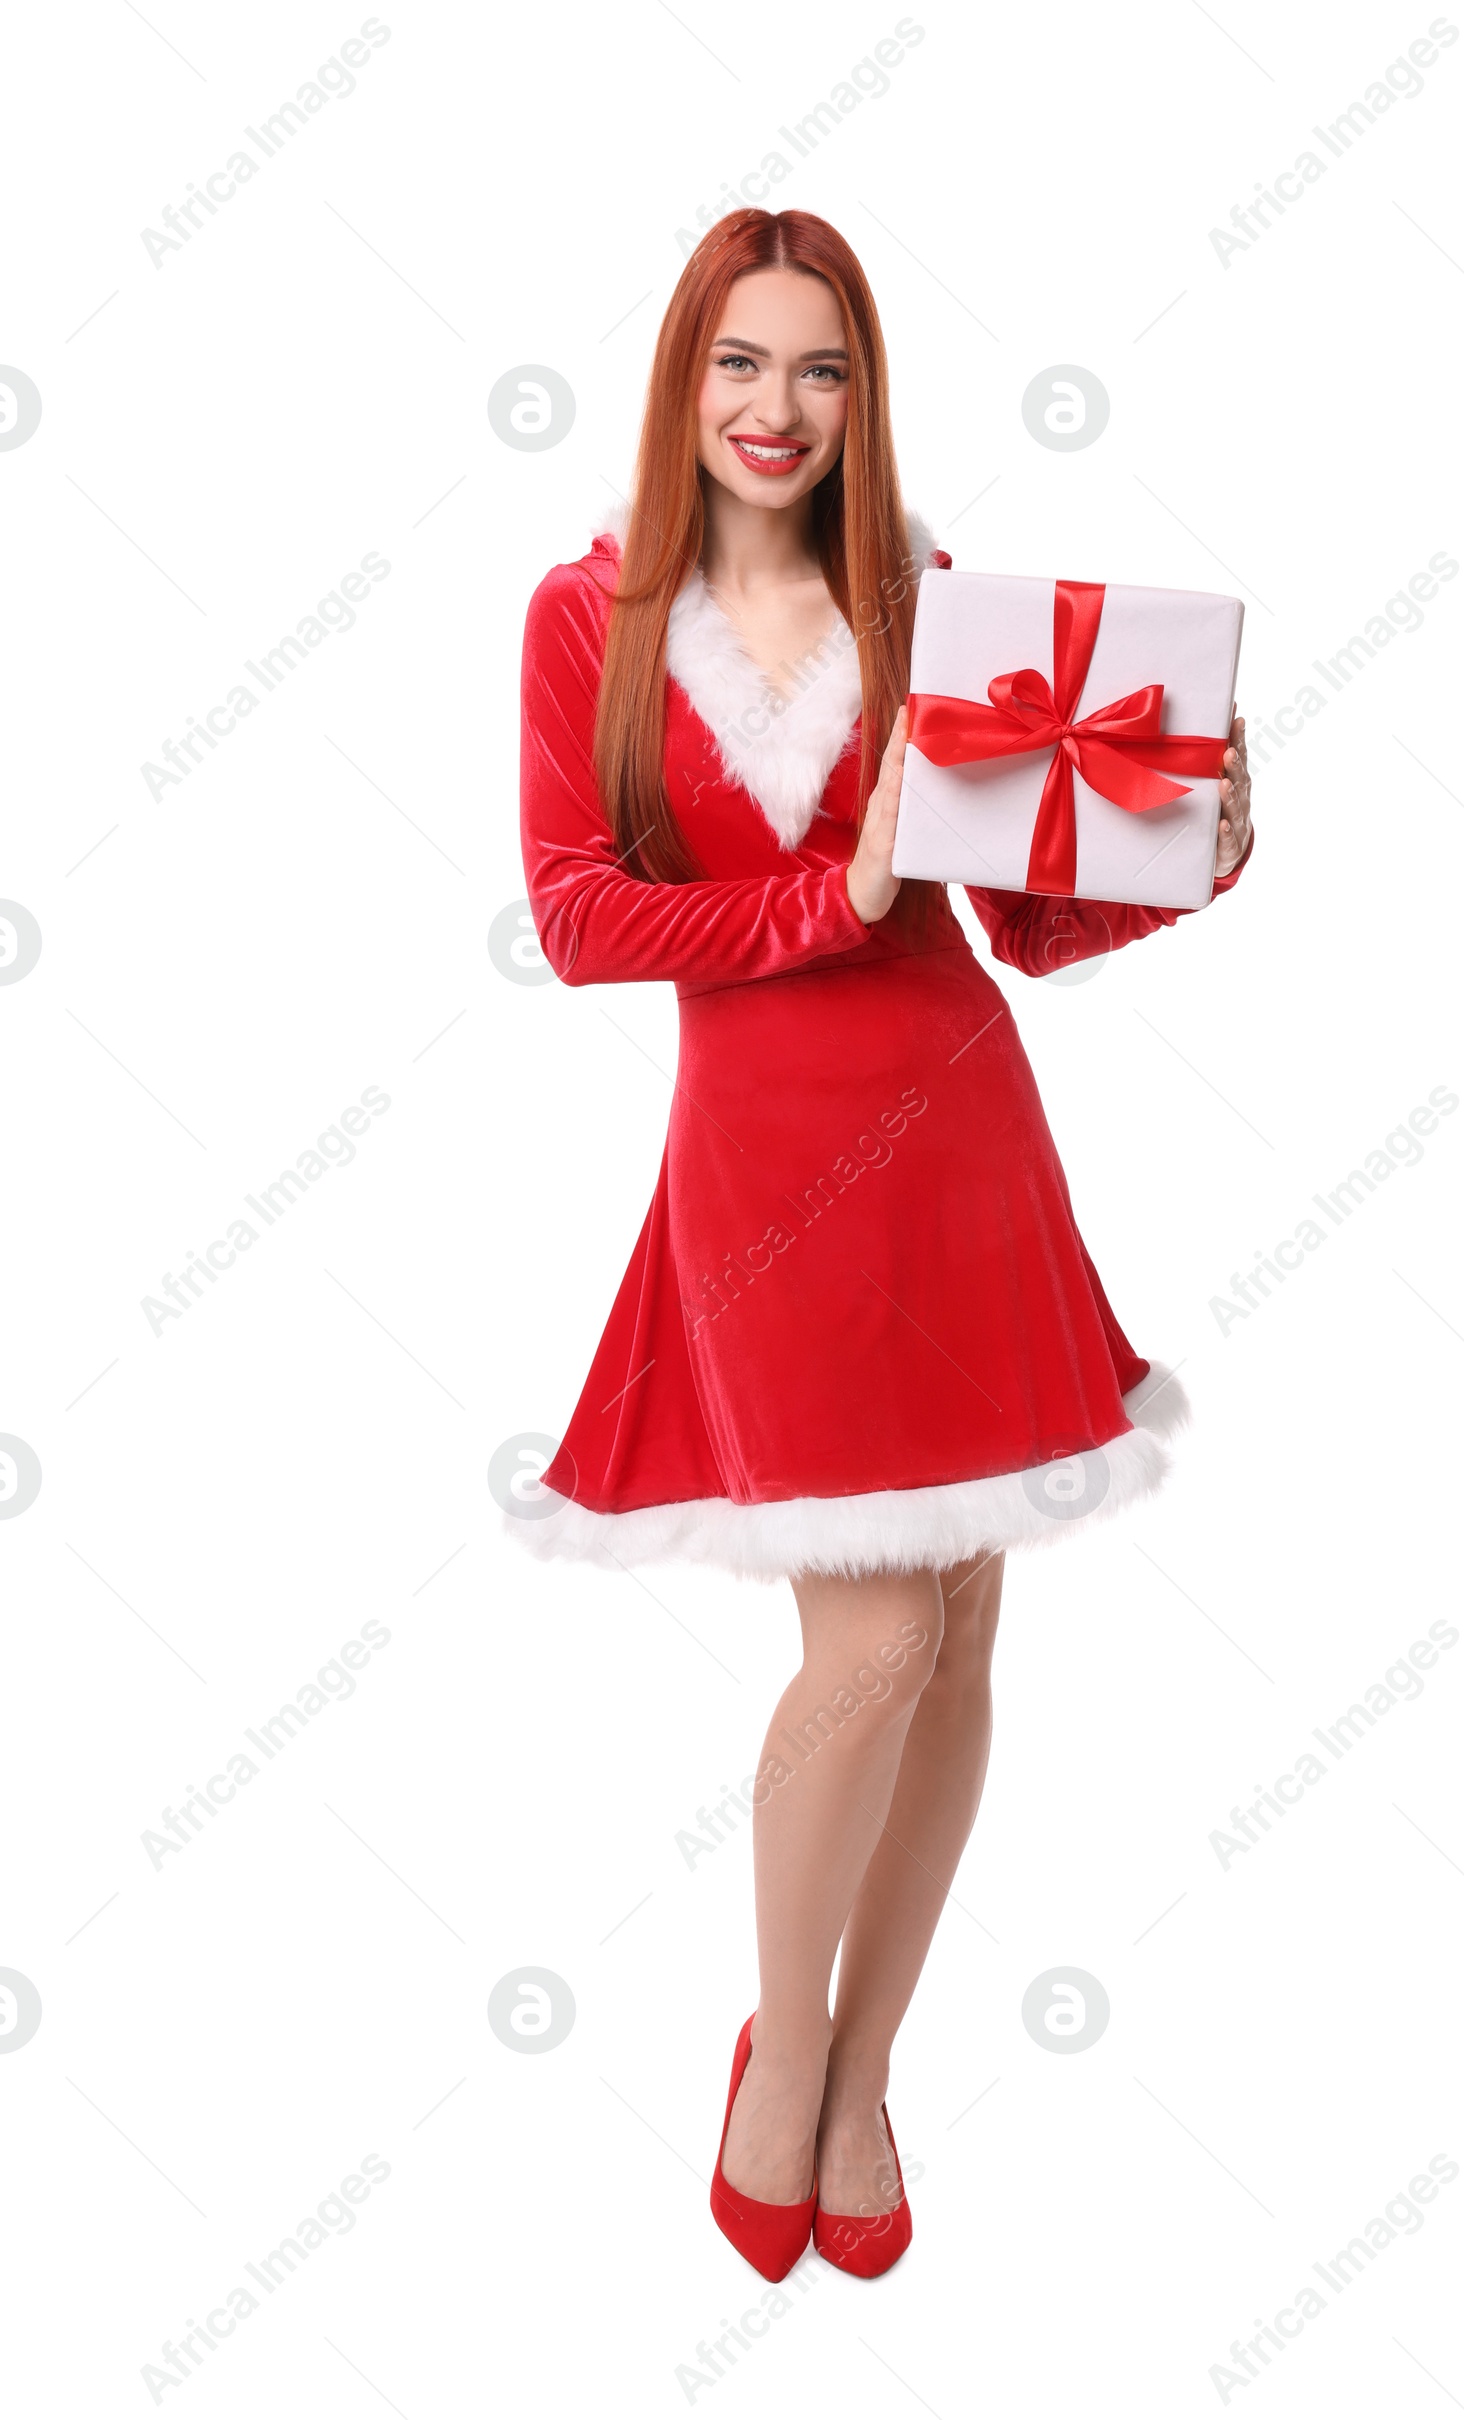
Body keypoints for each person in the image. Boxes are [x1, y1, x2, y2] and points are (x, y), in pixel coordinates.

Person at [511, 208, 1254, 2281]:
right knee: (868, 1641)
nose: (775, 407)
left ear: (861, 398)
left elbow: (1021, 907)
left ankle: (858, 2076)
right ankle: (779, 2054)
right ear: (680, 384)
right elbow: (575, 909)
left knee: (963, 1643)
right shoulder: (590, 612)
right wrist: (809, 909)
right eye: (737, 364)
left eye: (816, 370)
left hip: (957, 1138)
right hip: (759, 1168)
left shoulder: (924, 602)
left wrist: (1188, 845)